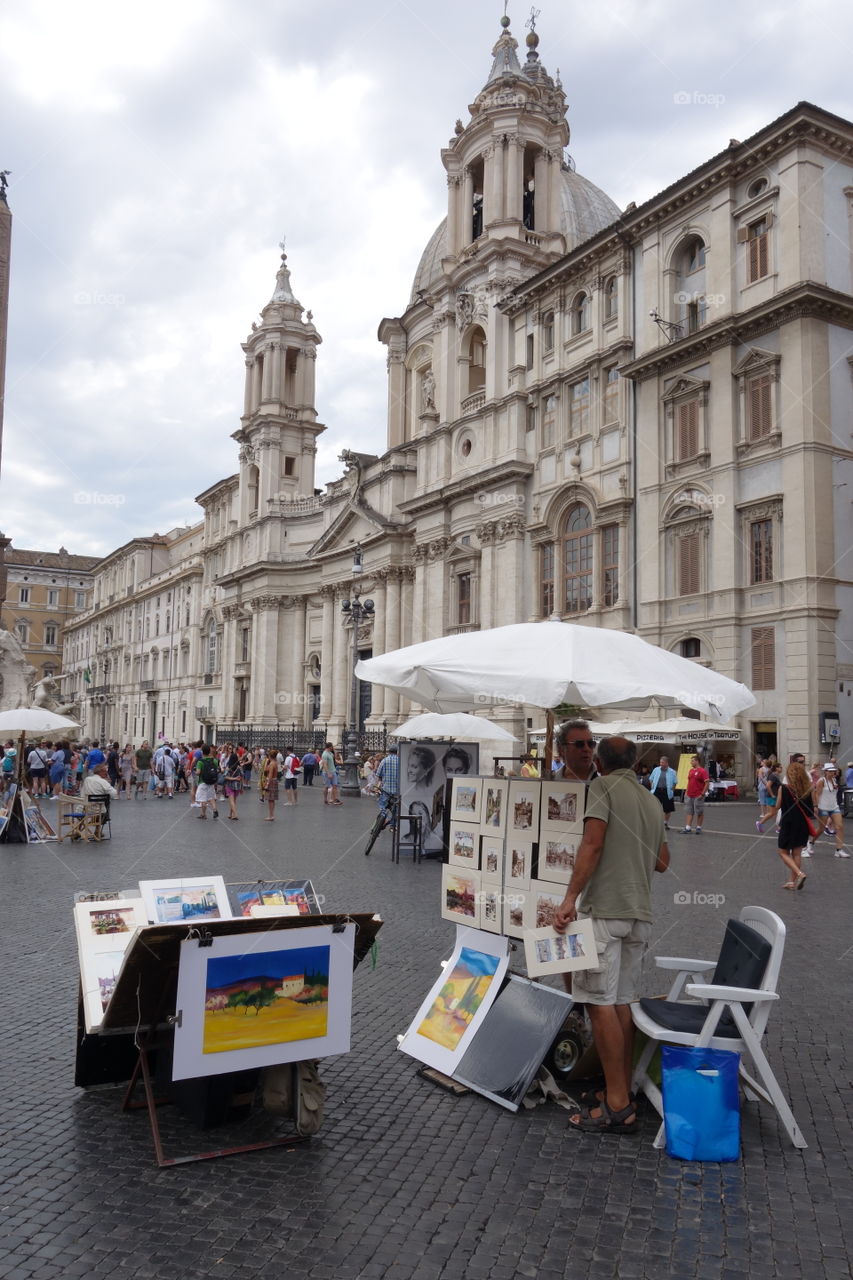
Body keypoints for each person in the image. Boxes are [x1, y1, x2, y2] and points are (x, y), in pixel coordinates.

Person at [553, 737, 669, 1134]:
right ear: (635, 762)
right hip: (639, 915)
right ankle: (619, 1092)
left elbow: (593, 841)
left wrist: (570, 897)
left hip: (604, 910)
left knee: (599, 1003)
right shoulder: (651, 800)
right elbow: (663, 861)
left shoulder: (602, 787)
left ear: (600, 763)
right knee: (622, 1003)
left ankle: (618, 1105)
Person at [774, 759, 813, 888]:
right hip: (802, 824)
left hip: (788, 823)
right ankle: (791, 881)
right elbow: (810, 811)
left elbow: (778, 805)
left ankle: (799, 873)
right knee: (797, 853)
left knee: (782, 852)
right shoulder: (807, 790)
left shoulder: (783, 788)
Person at [814, 762, 849, 857]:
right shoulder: (821, 781)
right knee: (821, 829)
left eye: (834, 771)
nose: (833, 773)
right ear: (825, 772)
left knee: (840, 826)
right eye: (830, 771)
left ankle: (839, 850)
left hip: (834, 807)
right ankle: (810, 843)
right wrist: (816, 806)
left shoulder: (834, 780)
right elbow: (816, 794)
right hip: (823, 807)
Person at [648, 755, 677, 830]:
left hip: (667, 791)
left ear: (667, 763)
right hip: (657, 790)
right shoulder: (656, 769)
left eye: (662, 762)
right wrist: (652, 787)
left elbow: (675, 782)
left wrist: (672, 790)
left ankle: (665, 823)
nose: (661, 764)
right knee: (655, 807)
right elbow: (651, 779)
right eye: (660, 762)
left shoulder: (672, 772)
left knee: (668, 809)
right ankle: (655, 823)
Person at [682, 754, 710, 833]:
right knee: (689, 811)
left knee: (699, 811)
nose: (691, 762)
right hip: (689, 794)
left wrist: (702, 794)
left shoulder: (702, 771)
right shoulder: (691, 771)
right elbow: (689, 782)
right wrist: (686, 792)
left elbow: (707, 783)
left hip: (698, 795)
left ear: (697, 761)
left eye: (692, 761)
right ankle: (688, 828)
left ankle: (698, 827)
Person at [376, 746, 400, 830]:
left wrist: (379, 784)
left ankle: (382, 821)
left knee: (383, 806)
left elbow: (378, 775)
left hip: (386, 789)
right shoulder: (400, 761)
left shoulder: (384, 760)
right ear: (397, 752)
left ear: (389, 752)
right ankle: (393, 826)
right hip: (397, 790)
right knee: (395, 809)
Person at [195, 745, 220, 819]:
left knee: (203, 799)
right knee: (211, 797)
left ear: (202, 752)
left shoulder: (200, 761)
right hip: (211, 781)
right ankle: (215, 810)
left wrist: (194, 771)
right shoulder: (214, 760)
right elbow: (218, 769)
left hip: (203, 782)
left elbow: (198, 772)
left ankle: (203, 814)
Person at [223, 747, 243, 820]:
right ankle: (230, 814)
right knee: (234, 801)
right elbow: (241, 777)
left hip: (230, 785)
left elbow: (225, 776)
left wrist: (233, 778)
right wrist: (241, 788)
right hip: (237, 786)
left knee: (231, 801)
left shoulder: (229, 767)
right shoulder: (239, 767)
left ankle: (235, 814)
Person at [260, 747, 280, 820]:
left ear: (270, 756)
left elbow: (270, 775)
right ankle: (272, 815)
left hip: (271, 782)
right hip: (274, 781)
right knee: (272, 800)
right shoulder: (275, 763)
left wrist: (267, 784)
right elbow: (266, 770)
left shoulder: (272, 764)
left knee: (270, 800)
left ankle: (271, 815)